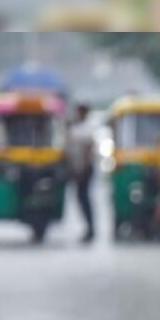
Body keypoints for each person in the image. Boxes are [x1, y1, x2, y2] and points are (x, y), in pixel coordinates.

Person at [68, 104, 96, 244]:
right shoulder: (75, 127)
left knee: (84, 199)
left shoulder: (87, 128)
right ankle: (88, 228)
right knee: (80, 199)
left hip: (84, 169)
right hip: (77, 168)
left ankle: (91, 229)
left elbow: (87, 150)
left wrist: (82, 169)